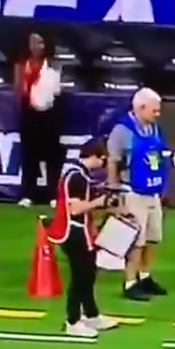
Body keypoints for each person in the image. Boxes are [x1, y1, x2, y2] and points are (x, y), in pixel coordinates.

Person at [47, 138, 119, 338]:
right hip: (74, 232)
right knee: (80, 277)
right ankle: (72, 321)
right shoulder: (77, 177)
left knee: (88, 273)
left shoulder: (77, 172)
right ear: (97, 156)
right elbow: (75, 208)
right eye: (103, 160)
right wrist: (100, 201)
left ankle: (91, 315)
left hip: (81, 230)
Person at [107, 88, 170, 302]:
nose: (157, 114)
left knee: (153, 238)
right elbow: (113, 161)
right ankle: (130, 282)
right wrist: (114, 192)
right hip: (133, 192)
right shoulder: (122, 131)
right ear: (141, 108)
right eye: (154, 110)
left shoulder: (154, 129)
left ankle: (145, 276)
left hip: (153, 192)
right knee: (136, 241)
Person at [15, 31, 64, 207]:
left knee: (52, 157)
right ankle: (27, 194)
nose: (36, 46)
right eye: (33, 42)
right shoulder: (22, 65)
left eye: (40, 42)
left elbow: (57, 90)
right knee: (29, 156)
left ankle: (53, 194)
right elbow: (18, 89)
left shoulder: (53, 65)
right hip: (29, 115)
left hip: (49, 115)